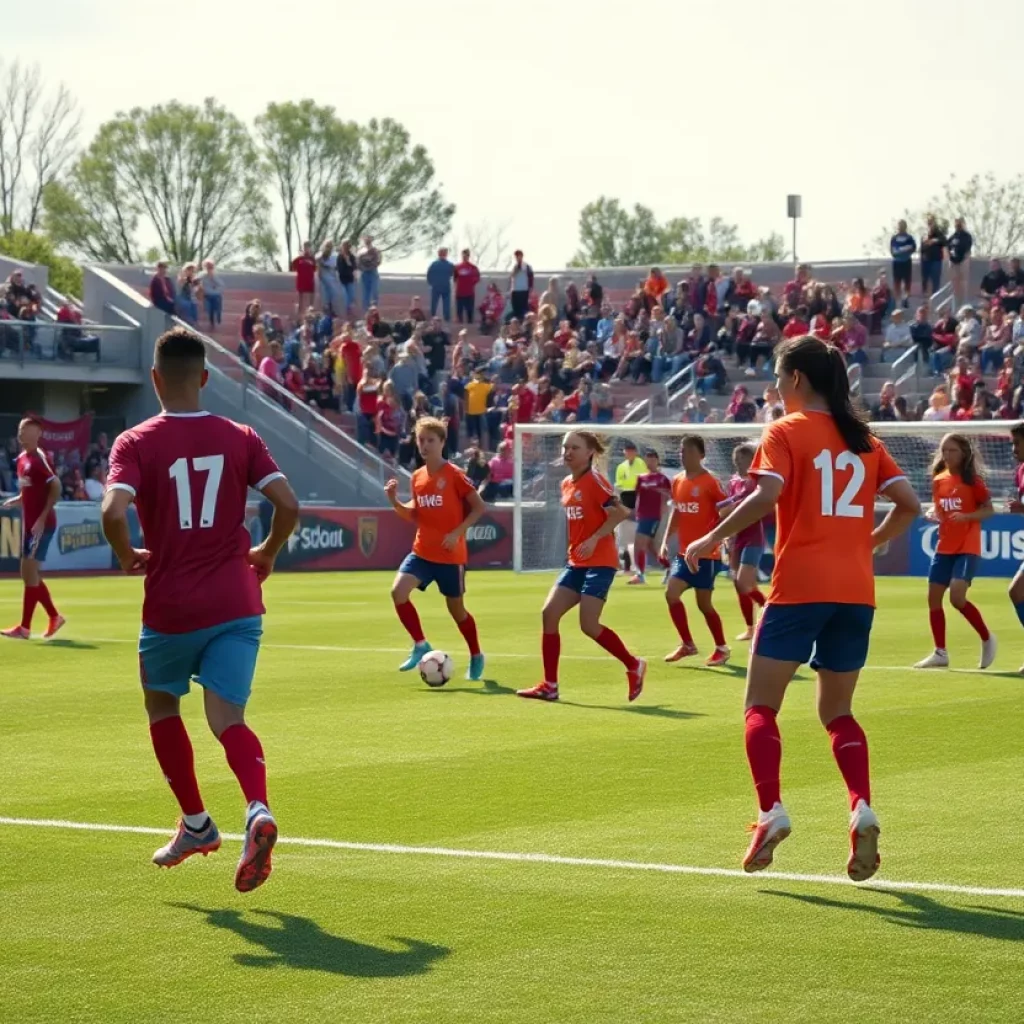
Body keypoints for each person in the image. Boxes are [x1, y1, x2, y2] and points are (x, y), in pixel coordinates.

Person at [683, 334, 919, 879]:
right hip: (856, 592)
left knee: (759, 707)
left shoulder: (785, 431)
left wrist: (710, 538)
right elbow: (909, 506)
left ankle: (771, 812)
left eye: (776, 376)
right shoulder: (865, 439)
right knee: (838, 713)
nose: (773, 387)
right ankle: (861, 805)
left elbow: (765, 496)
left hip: (799, 586)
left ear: (796, 380)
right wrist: (867, 541)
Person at [100, 326, 300, 892]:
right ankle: (257, 808)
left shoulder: (135, 442)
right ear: (206, 378)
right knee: (227, 720)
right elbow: (287, 503)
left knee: (162, 706)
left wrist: (124, 555)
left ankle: (196, 822)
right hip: (238, 601)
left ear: (155, 379)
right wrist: (266, 551)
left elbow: (115, 512)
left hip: (172, 608)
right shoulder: (240, 435)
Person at [517, 431, 646, 703]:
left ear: (590, 452)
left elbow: (622, 512)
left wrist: (595, 538)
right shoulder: (566, 483)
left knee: (588, 625)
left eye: (574, 447)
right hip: (576, 562)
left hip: (600, 562)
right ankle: (549, 685)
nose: (568, 452)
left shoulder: (596, 481)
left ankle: (634, 664)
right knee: (549, 614)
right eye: (565, 447)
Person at [385, 418, 487, 682]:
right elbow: (414, 514)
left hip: (451, 557)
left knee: (457, 611)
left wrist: (457, 533)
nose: (426, 445)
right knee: (398, 592)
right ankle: (421, 644)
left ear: (442, 442)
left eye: (431, 440)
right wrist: (395, 501)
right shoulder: (417, 476)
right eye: (421, 440)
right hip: (422, 552)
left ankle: (476, 654)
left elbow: (479, 507)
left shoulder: (454, 474)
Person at [913, 433, 997, 670]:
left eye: (953, 451)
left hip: (967, 546)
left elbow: (989, 510)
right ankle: (940, 653)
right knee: (933, 598)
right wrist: (934, 515)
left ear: (964, 454)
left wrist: (968, 516)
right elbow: (941, 510)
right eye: (944, 451)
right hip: (945, 546)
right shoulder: (939, 479)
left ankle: (987, 637)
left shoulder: (974, 482)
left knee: (957, 598)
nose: (947, 455)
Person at [659, 435, 730, 667]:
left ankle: (722, 647)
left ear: (701, 455)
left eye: (689, 450)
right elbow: (677, 512)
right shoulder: (678, 480)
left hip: (706, 554)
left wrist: (718, 538)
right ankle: (687, 644)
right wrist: (665, 540)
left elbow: (727, 510)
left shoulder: (710, 482)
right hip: (683, 553)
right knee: (671, 594)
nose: (683, 454)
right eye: (681, 450)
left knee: (704, 604)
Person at [1, 416, 64, 640]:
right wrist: (19, 499)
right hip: (30, 524)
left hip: (41, 525)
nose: (21, 435)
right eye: (20, 431)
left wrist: (42, 517)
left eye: (26, 430)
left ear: (38, 433)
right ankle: (53, 617)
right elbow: (32, 490)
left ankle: (26, 627)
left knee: (28, 571)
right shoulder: (21, 459)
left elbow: (55, 486)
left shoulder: (40, 458)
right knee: (30, 573)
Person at [721, 443, 768, 641]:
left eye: (743, 459)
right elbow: (726, 508)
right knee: (739, 584)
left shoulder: (758, 482)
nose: (739, 463)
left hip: (753, 537)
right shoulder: (733, 482)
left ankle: (769, 608)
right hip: (735, 537)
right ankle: (750, 628)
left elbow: (751, 507)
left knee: (743, 581)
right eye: (737, 460)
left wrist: (731, 508)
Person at [627, 449, 671, 586]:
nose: (650, 461)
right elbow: (638, 495)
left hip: (653, 516)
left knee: (639, 544)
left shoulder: (662, 479)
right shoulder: (641, 478)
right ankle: (669, 568)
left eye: (653, 459)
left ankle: (640, 575)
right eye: (648, 459)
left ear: (657, 461)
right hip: (642, 515)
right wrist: (635, 511)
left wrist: (662, 511)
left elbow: (669, 496)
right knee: (650, 546)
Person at [1005, 423, 1024, 673]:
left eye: (1017, 443)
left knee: (1017, 591)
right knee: (1017, 592)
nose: (1013, 449)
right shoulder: (1020, 471)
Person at [614, 441, 646, 573]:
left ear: (635, 452)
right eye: (627, 451)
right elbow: (619, 485)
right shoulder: (621, 467)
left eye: (631, 450)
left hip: (638, 500)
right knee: (624, 537)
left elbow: (644, 482)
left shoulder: (641, 464)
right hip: (625, 500)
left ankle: (637, 566)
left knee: (636, 537)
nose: (629, 453)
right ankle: (627, 565)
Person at [291, 242, 316, 319]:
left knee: (310, 301)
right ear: (303, 248)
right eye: (305, 247)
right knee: (300, 301)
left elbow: (315, 268)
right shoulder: (299, 258)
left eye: (308, 246)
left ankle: (310, 316)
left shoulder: (312, 259)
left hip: (310, 281)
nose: (307, 248)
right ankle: (298, 317)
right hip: (301, 281)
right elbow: (293, 267)